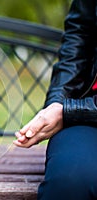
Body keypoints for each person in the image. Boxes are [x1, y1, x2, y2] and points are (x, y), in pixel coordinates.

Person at [13, 0, 97, 199]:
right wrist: (57, 104)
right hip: (87, 119)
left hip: (80, 112)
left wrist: (68, 111)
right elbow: (80, 36)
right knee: (69, 182)